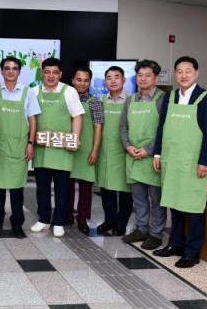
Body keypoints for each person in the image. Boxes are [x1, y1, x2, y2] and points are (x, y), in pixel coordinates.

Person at [153, 56, 207, 268]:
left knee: (193, 207)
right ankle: (175, 244)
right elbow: (161, 127)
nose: (183, 75)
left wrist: (205, 162)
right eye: (179, 71)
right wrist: (157, 154)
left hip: (193, 163)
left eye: (187, 71)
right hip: (172, 160)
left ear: (196, 73)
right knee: (175, 203)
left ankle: (192, 251)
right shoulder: (170, 96)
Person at [0, 57, 40, 238]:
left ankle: (17, 223)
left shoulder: (28, 92)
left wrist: (30, 143)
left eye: (14, 68)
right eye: (7, 68)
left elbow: (33, 119)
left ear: (19, 72)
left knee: (17, 190)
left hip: (19, 147)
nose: (10, 71)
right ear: (1, 71)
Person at [31, 57, 84, 237]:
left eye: (55, 72)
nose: (51, 76)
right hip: (42, 148)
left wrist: (75, 138)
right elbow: (31, 119)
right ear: (42, 74)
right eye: (47, 72)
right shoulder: (34, 91)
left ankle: (59, 221)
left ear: (60, 74)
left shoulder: (69, 92)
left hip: (62, 149)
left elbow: (77, 116)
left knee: (62, 188)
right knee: (42, 187)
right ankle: (43, 219)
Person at [120, 60, 167, 250]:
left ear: (155, 77)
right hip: (132, 155)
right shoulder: (130, 100)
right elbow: (123, 126)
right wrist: (128, 146)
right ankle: (141, 228)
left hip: (152, 157)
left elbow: (164, 129)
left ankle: (155, 234)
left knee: (156, 199)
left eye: (148, 75)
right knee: (138, 198)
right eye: (140, 75)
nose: (143, 79)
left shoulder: (163, 99)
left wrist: (149, 149)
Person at [96, 66, 132, 236]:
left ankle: (121, 223)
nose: (112, 80)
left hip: (124, 152)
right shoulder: (101, 101)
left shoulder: (131, 101)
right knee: (106, 189)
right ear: (105, 82)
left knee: (125, 192)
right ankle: (109, 220)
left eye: (116, 77)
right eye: (109, 77)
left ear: (124, 80)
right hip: (105, 152)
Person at [68, 67, 103, 235]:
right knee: (65, 186)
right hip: (67, 149)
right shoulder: (66, 98)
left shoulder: (95, 102)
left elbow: (98, 127)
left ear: (89, 82)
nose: (82, 83)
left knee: (85, 188)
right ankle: (66, 214)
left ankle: (82, 218)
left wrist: (95, 150)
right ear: (73, 80)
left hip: (86, 149)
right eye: (79, 79)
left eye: (86, 80)